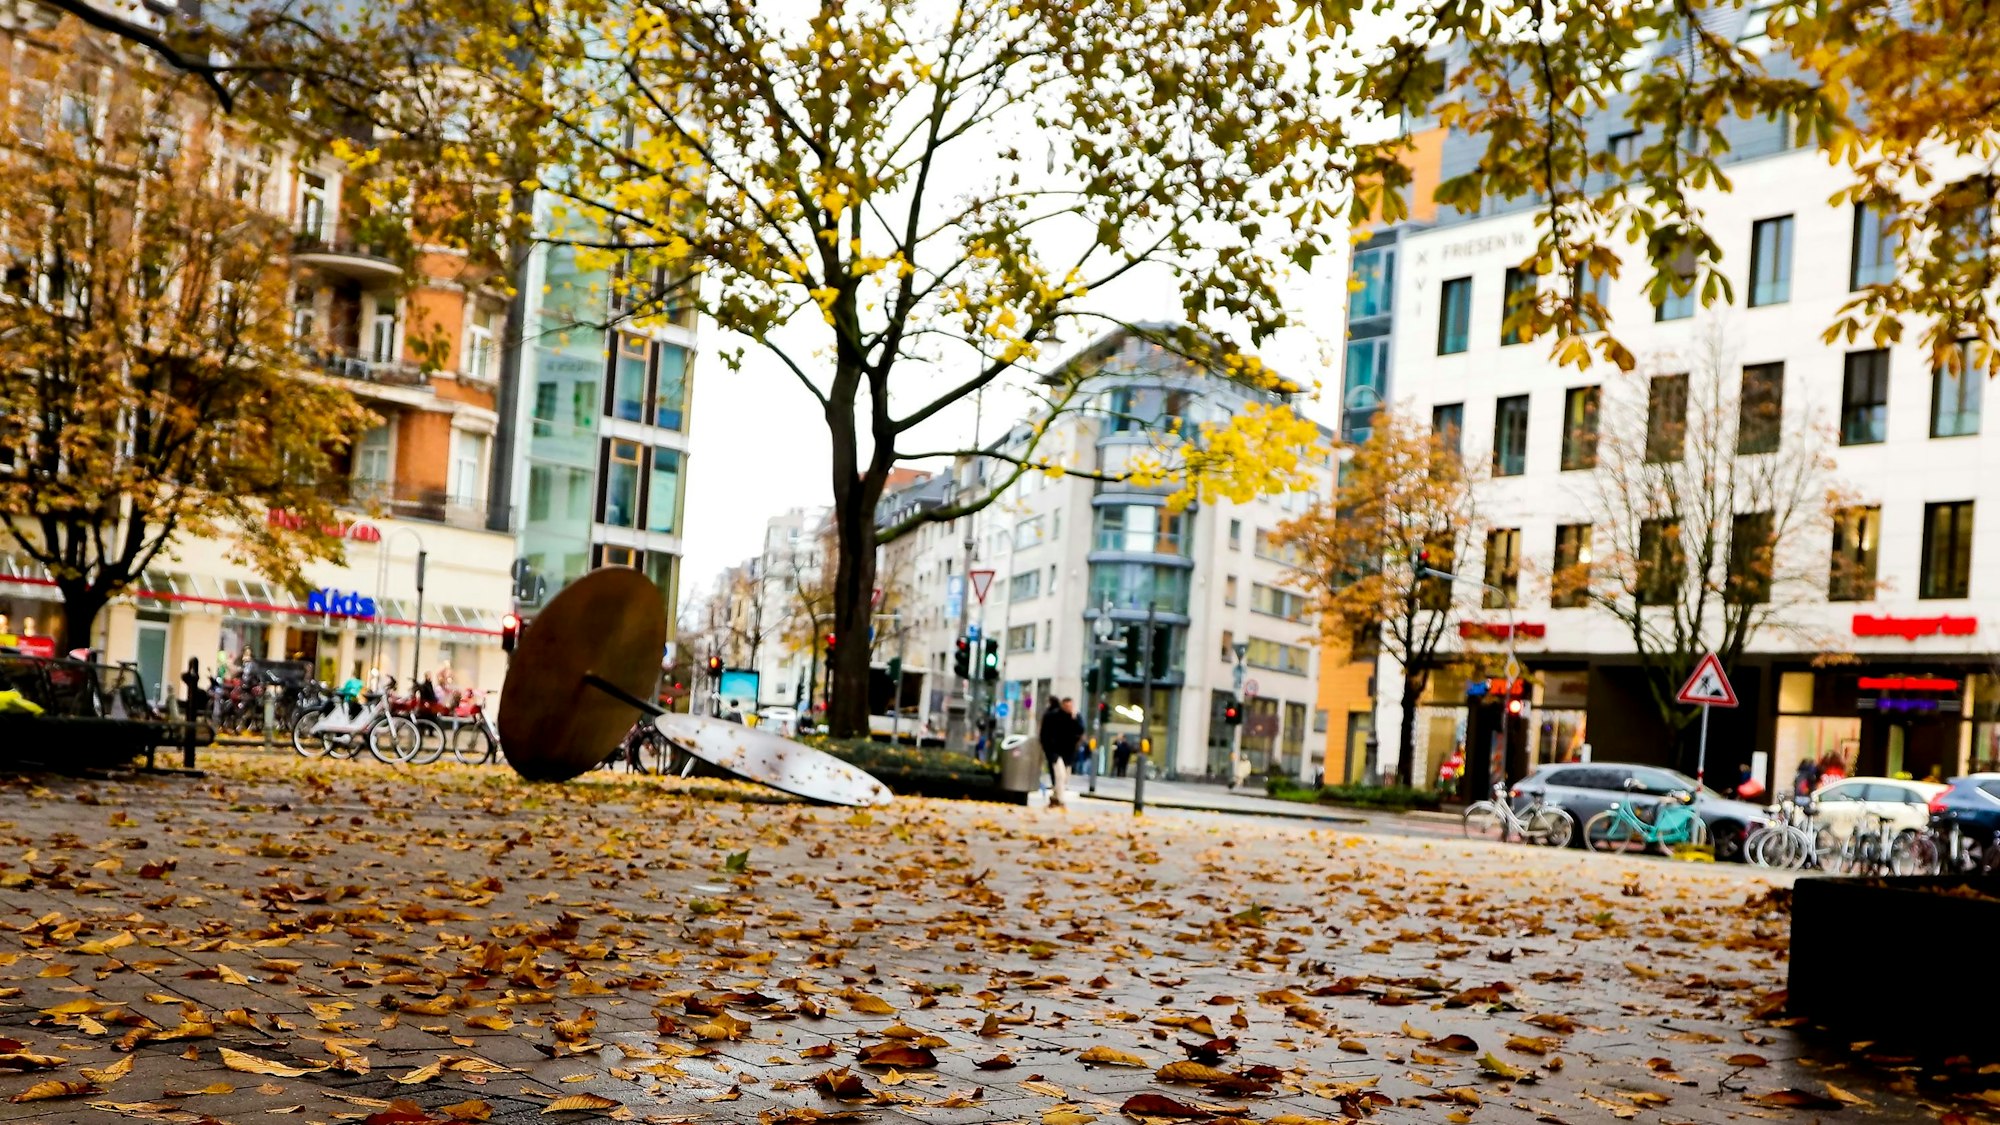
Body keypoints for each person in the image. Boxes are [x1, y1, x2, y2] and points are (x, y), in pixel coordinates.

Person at [1037, 695, 1081, 806]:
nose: (1068, 708)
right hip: (1055, 751)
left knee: (1064, 777)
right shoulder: (1052, 716)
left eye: (1070, 706)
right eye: (1066, 706)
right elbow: (1045, 733)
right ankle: (1060, 799)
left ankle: (1055, 796)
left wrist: (1074, 718)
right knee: (1060, 775)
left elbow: (1080, 730)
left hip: (1069, 753)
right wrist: (1047, 748)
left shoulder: (1076, 717)